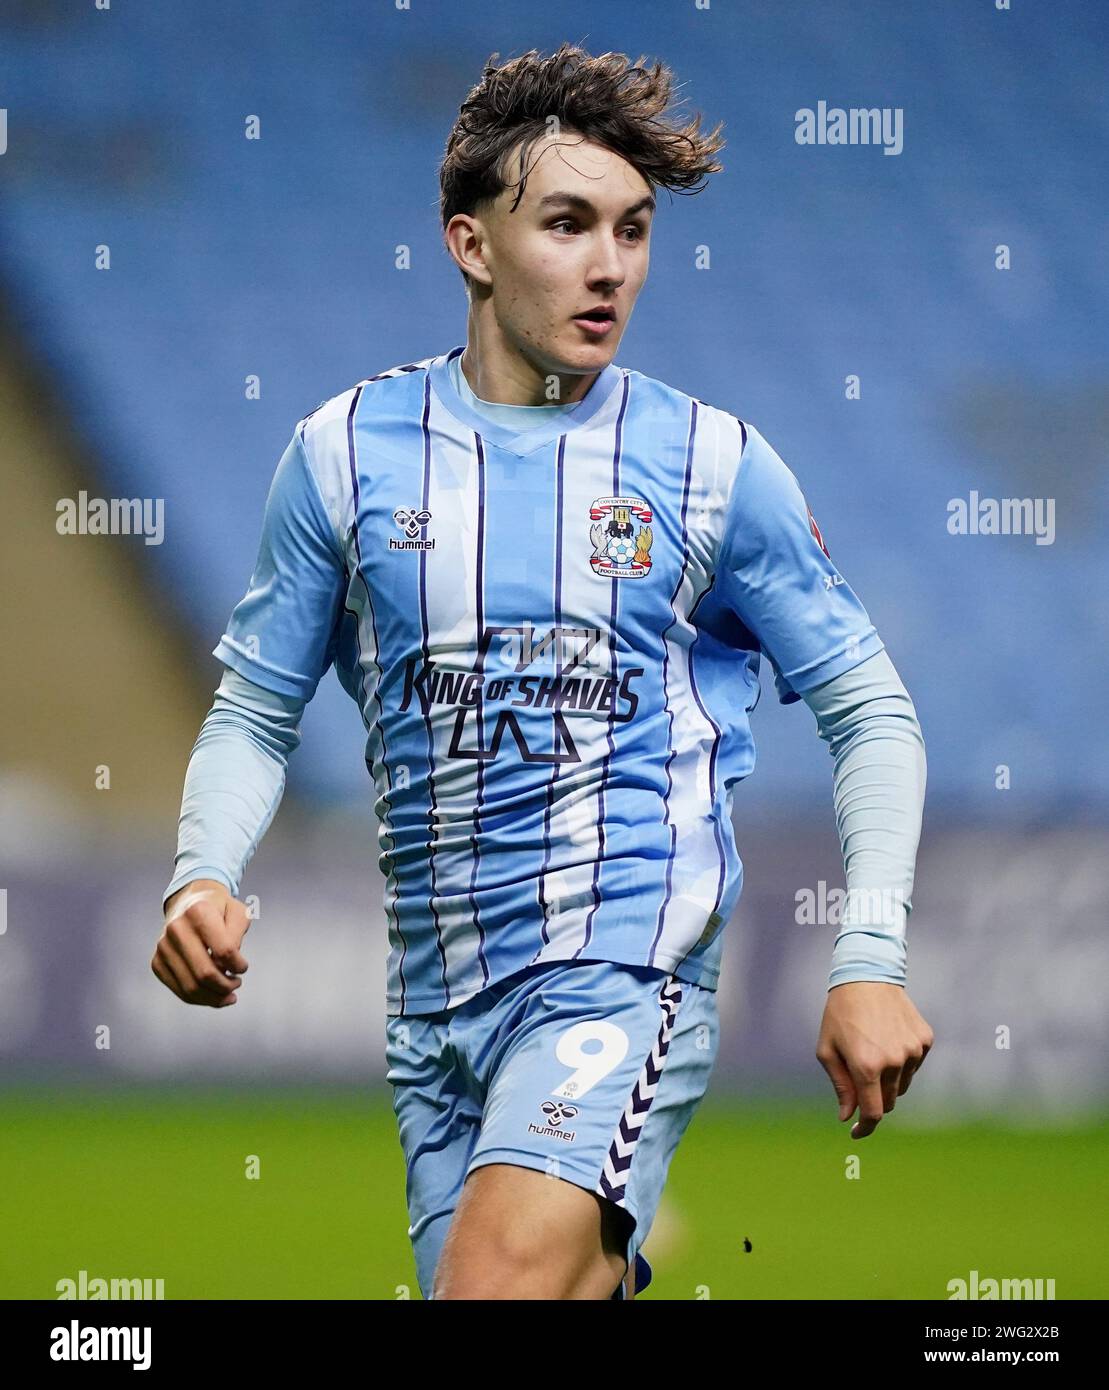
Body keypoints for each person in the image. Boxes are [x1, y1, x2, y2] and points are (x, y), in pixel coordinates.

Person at [154, 43, 931, 1301]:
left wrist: (870, 956)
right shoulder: (343, 456)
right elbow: (254, 707)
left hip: (619, 975)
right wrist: (201, 874)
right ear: (469, 245)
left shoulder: (711, 468)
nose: (609, 264)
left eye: (630, 229)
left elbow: (872, 715)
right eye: (565, 223)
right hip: (434, 1018)